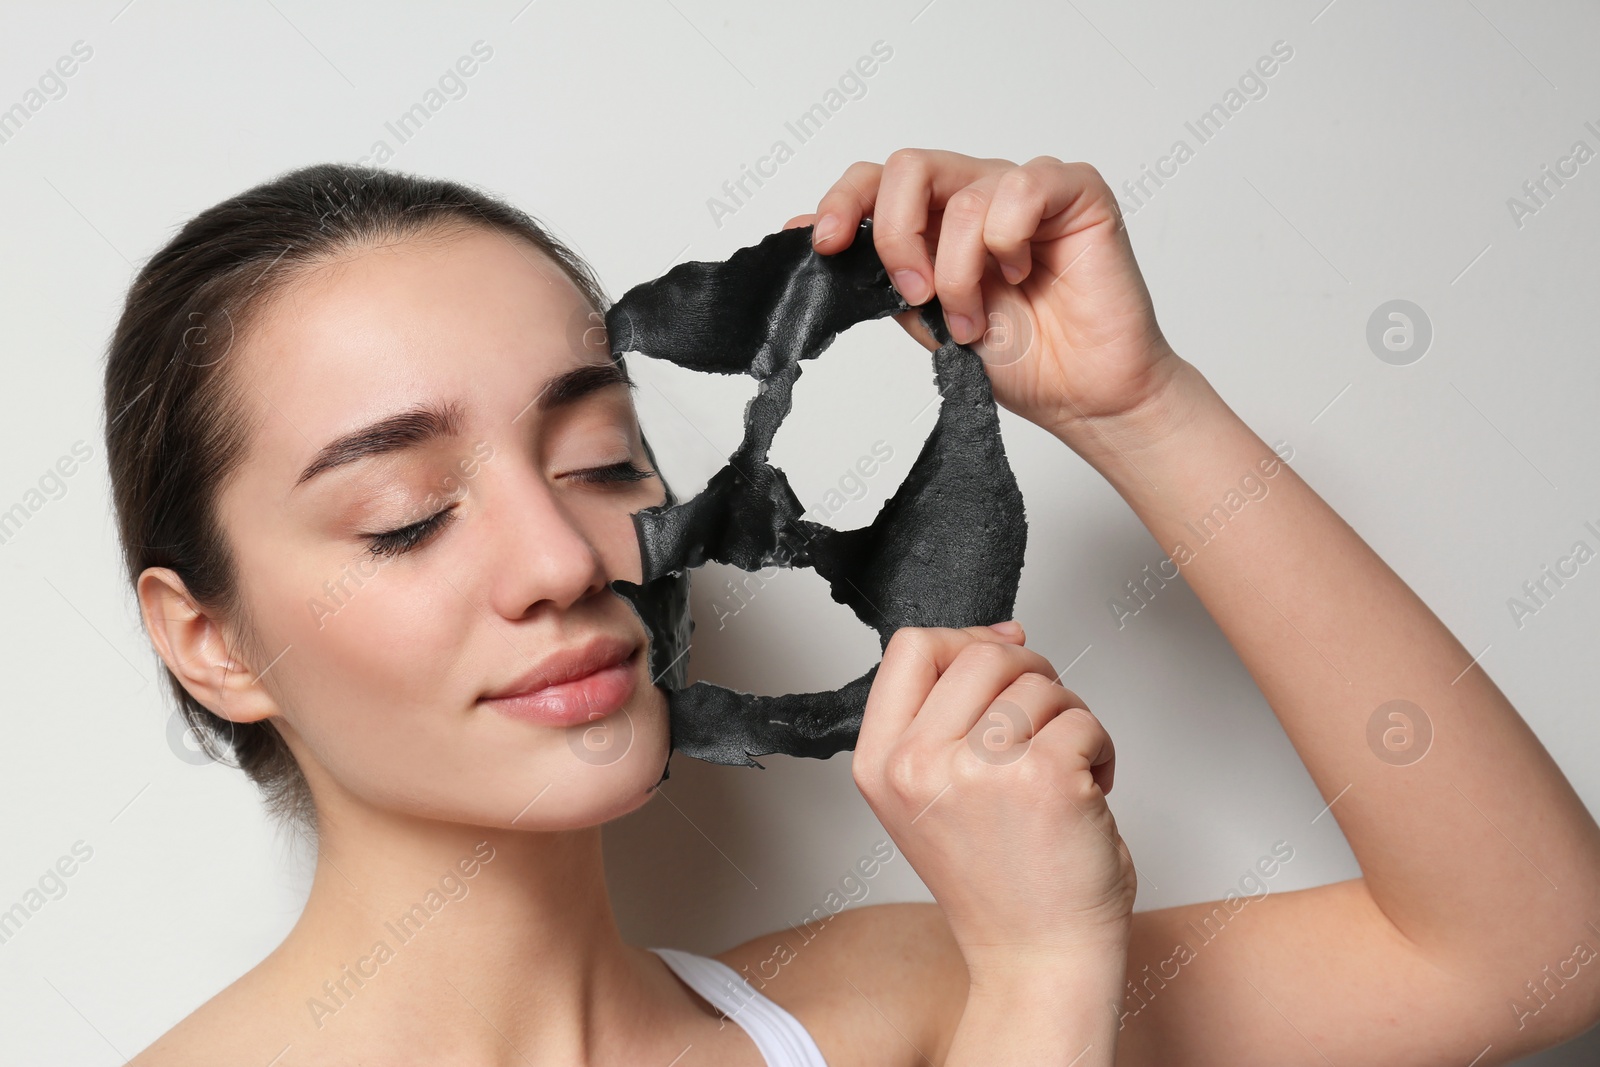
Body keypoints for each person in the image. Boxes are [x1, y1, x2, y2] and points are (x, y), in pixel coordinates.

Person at [108, 149, 1600, 1066]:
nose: (564, 560)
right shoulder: (991, 981)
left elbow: (1526, 951)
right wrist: (1035, 991)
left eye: (599, 459)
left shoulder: (876, 1000)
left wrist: (1137, 407)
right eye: (407, 516)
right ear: (211, 640)